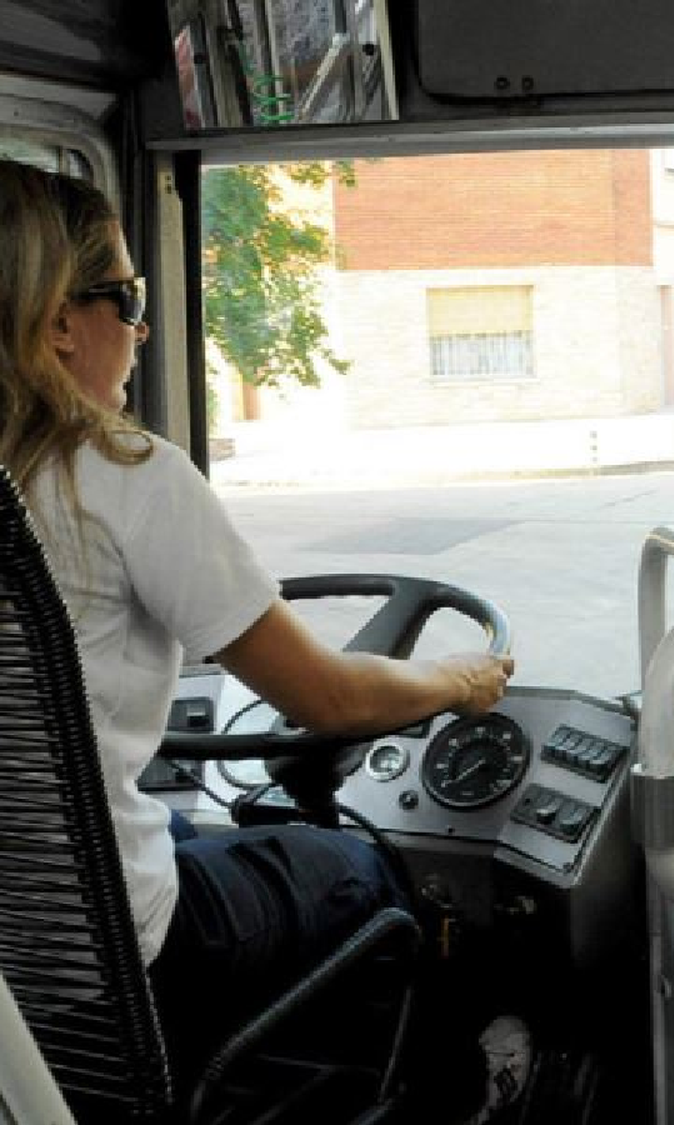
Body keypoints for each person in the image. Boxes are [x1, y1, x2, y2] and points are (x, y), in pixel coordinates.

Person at [0, 159, 514, 1072]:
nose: (145, 324)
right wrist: (459, 678)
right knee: (359, 872)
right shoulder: (123, 474)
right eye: (126, 296)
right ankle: (458, 1083)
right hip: (111, 961)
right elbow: (330, 698)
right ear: (55, 323)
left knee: (202, 834)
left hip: (17, 976)